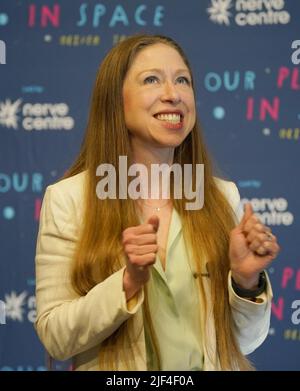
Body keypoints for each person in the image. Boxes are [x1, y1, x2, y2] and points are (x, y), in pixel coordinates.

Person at [34, 34, 280, 371]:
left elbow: (243, 341)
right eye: (152, 80)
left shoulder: (223, 197)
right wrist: (127, 282)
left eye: (182, 80)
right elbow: (56, 337)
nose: (173, 94)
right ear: (115, 101)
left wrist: (245, 282)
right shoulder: (69, 200)